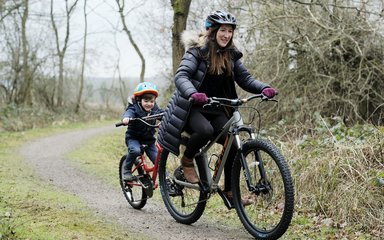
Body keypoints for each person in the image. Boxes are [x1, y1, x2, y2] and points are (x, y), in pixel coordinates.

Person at [157, 10, 277, 204]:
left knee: (232, 140)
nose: (226, 35)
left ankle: (230, 192)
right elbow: (182, 76)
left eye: (230, 31)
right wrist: (192, 94)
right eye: (223, 30)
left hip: (216, 108)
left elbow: (245, 79)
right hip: (192, 107)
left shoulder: (231, 55)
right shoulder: (197, 51)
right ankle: (187, 161)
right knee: (205, 130)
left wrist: (264, 87)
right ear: (212, 31)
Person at [121, 82, 163, 181]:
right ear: (139, 100)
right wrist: (127, 118)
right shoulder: (134, 108)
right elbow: (129, 112)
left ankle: (166, 179)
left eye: (152, 101)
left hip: (149, 141)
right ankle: (126, 170)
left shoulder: (154, 109)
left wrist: (166, 119)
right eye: (146, 101)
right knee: (135, 150)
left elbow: (161, 113)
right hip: (134, 138)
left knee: (159, 160)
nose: (149, 104)